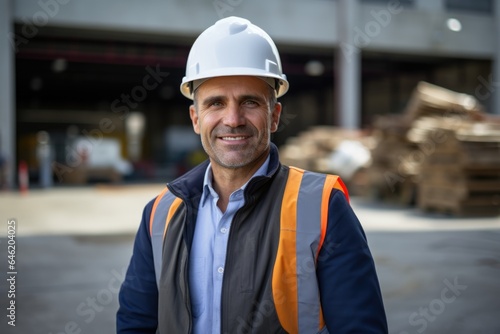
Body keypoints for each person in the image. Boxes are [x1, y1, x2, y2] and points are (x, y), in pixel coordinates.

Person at [117, 16, 388, 334]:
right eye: (216, 103)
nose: (232, 119)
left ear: (274, 116)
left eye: (249, 102)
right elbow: (136, 323)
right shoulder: (160, 214)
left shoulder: (323, 206)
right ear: (195, 117)